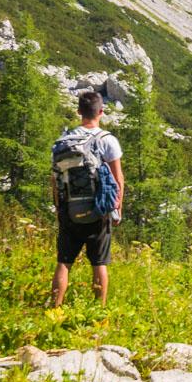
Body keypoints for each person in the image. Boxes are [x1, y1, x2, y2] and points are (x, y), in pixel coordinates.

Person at [50, 90, 124, 305]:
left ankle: (54, 309)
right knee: (99, 263)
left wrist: (59, 208)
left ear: (79, 112)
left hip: (68, 209)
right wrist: (116, 209)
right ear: (101, 112)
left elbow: (54, 179)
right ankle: (98, 311)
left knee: (64, 262)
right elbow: (118, 178)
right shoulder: (107, 140)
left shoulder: (64, 141)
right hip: (98, 209)